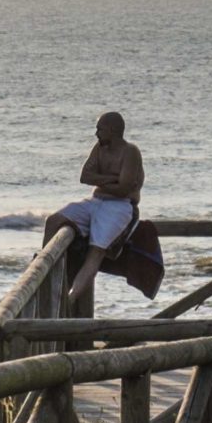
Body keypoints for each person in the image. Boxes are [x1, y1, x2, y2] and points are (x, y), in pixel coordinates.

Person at [56, 112, 144, 308]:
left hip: (119, 207)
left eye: (100, 129)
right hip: (95, 201)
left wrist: (103, 181)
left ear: (112, 131)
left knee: (96, 251)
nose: (96, 134)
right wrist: (112, 179)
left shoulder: (130, 151)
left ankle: (70, 300)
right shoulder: (99, 149)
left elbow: (125, 188)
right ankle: (47, 269)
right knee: (55, 220)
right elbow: (85, 176)